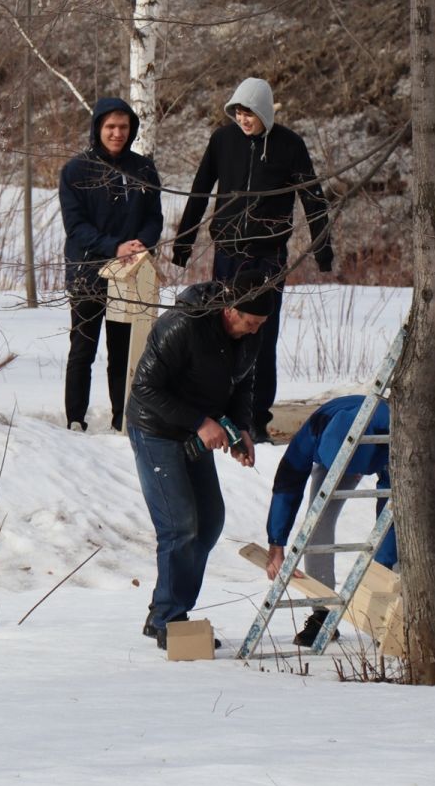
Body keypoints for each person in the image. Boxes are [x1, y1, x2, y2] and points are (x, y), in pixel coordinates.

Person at [170, 77, 332, 442]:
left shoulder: (290, 145)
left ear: (264, 112)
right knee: (220, 332)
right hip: (228, 253)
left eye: (250, 113)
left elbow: (313, 198)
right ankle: (218, 411)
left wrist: (323, 250)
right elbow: (199, 190)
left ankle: (256, 420)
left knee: (261, 337)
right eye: (239, 112)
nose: (244, 120)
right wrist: (183, 245)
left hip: (268, 258)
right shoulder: (222, 140)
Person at [125, 274, 275, 647]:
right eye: (249, 323)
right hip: (155, 428)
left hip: (196, 432)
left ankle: (166, 608)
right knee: (180, 524)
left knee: (208, 522)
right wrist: (200, 421)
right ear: (229, 310)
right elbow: (144, 389)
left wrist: (241, 429)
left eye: (260, 326)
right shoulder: (182, 326)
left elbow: (242, 383)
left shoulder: (250, 336)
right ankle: (170, 621)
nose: (253, 332)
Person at [58, 96, 164, 433]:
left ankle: (123, 416)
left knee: (123, 350)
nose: (117, 133)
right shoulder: (76, 170)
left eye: (123, 127)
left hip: (130, 273)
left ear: (131, 129)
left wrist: (140, 245)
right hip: (88, 271)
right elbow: (75, 226)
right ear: (98, 128)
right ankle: (75, 417)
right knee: (83, 347)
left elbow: (154, 218)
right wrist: (113, 246)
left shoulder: (143, 168)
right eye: (110, 127)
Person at [263, 396, 397, 647]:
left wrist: (384, 569)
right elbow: (286, 486)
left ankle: (393, 612)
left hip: (380, 447)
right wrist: (276, 544)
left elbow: (391, 514)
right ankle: (321, 612)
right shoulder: (313, 432)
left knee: (396, 525)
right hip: (334, 446)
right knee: (317, 520)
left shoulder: (392, 427)